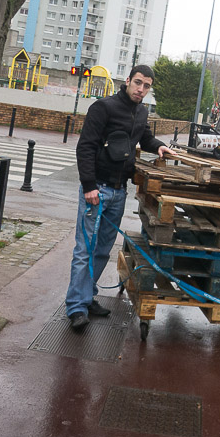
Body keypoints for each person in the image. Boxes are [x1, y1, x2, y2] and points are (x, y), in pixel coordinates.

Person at [65, 65, 174, 331]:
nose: (141, 89)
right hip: (97, 190)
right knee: (84, 249)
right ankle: (76, 307)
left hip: (118, 191)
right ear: (127, 81)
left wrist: (158, 145)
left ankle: (88, 296)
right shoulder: (103, 108)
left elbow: (143, 136)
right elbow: (86, 146)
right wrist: (88, 185)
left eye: (147, 86)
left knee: (103, 248)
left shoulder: (141, 111)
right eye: (138, 83)